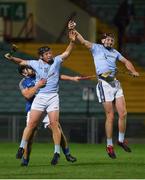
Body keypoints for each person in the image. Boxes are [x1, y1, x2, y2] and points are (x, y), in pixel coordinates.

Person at [68, 21, 139, 159]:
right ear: (102, 40)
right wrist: (74, 29)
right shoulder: (96, 48)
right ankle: (109, 145)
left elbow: (126, 62)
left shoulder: (115, 52)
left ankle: (120, 140)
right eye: (107, 39)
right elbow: (82, 41)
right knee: (110, 116)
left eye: (112, 40)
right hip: (104, 84)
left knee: (123, 114)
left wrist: (133, 70)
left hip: (115, 83)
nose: (110, 41)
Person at [4, 30, 77, 165]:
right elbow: (22, 62)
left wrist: (72, 41)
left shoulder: (56, 61)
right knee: (31, 126)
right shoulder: (33, 67)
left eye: (50, 53)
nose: (50, 55)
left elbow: (67, 53)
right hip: (39, 98)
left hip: (53, 97)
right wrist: (12, 58)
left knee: (56, 125)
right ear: (41, 57)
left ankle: (58, 153)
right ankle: (22, 149)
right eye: (47, 54)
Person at [18, 65, 81, 166]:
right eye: (28, 68)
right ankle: (25, 160)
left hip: (47, 107)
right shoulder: (23, 83)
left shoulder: (40, 74)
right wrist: (38, 85)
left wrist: (72, 78)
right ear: (24, 73)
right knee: (30, 137)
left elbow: (57, 76)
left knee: (57, 129)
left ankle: (67, 154)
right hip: (33, 109)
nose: (32, 69)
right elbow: (27, 95)